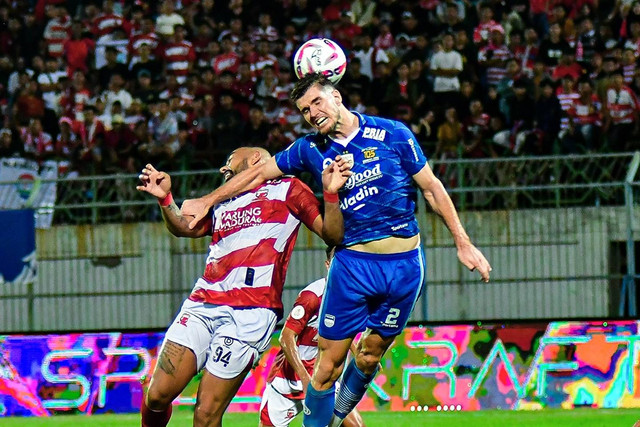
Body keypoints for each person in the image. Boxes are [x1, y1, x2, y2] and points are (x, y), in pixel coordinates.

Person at [181, 73, 492, 427]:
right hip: (353, 267)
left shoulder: (393, 133)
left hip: (405, 265)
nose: (312, 114)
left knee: (371, 356)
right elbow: (257, 175)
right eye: (304, 110)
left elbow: (433, 189)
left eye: (316, 102)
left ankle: (335, 419)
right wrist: (208, 199)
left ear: (337, 97)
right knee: (328, 367)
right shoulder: (309, 149)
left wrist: (462, 242)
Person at [136, 146, 349, 427]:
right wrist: (166, 200)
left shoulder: (288, 189)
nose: (224, 169)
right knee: (157, 395)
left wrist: (331, 194)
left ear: (256, 159)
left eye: (229, 161)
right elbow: (184, 227)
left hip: (250, 314)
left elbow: (332, 234)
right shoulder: (225, 199)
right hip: (202, 304)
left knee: (205, 414)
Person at [259, 247, 365, 427]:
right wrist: (304, 378)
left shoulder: (349, 297)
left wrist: (359, 355)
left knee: (356, 426)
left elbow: (344, 331)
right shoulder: (312, 296)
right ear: (328, 264)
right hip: (288, 382)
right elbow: (286, 337)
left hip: (323, 378)